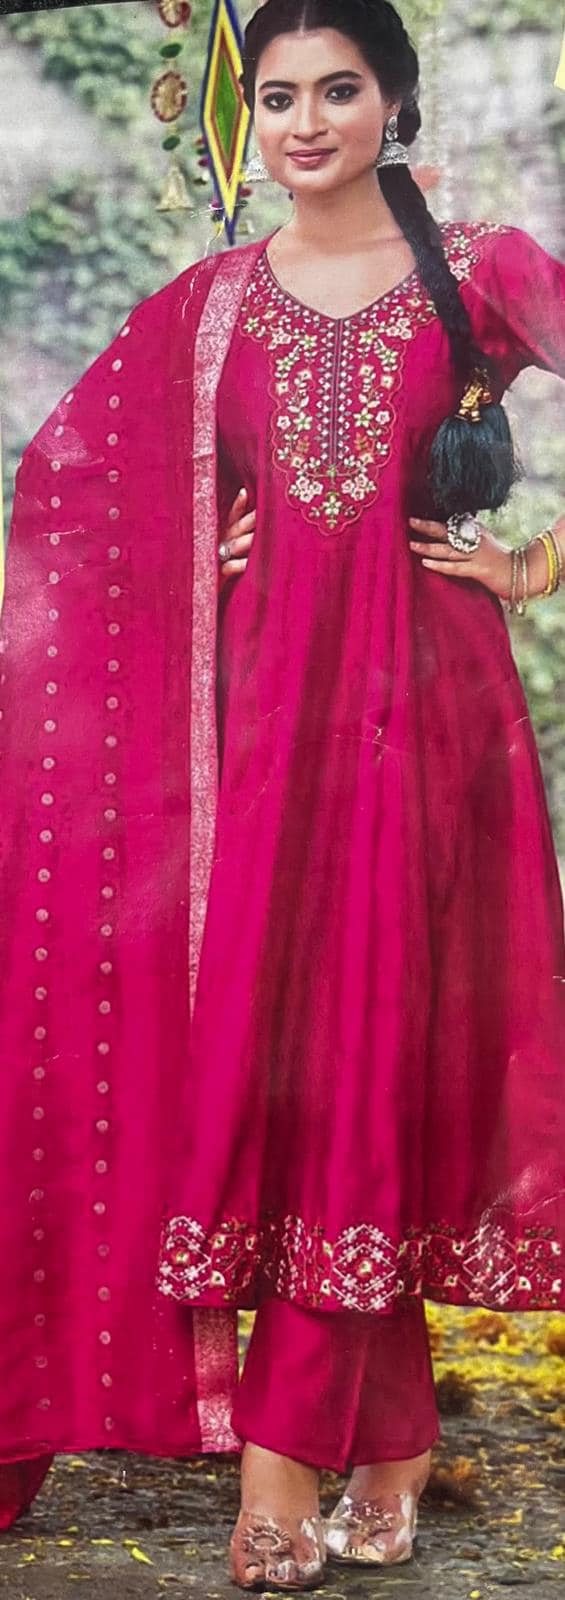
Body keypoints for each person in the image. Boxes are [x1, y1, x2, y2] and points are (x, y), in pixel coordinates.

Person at [0, 0, 564, 1590]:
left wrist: (532, 563)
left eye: (338, 89)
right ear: (247, 112)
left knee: (378, 1050)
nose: (305, 120)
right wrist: (192, 539)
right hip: (258, 733)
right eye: (279, 92)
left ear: (394, 101)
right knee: (299, 1063)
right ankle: (385, 1444)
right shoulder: (207, 308)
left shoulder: (483, 267)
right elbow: (65, 489)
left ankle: (281, 1460)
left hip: (429, 722)